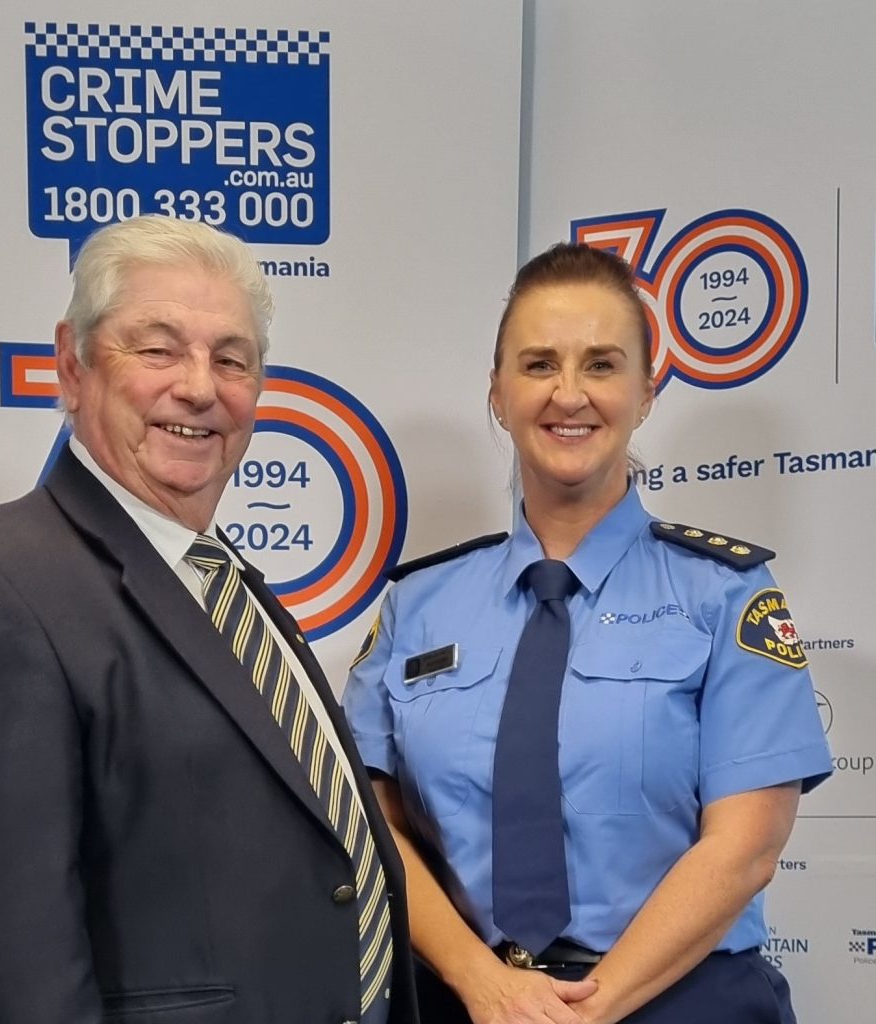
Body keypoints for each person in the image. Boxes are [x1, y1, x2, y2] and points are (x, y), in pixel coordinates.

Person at [0, 215, 417, 1024]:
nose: (200, 388)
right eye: (159, 349)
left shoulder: (226, 583)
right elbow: (16, 979)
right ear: (73, 364)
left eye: (231, 359)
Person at [342, 243, 832, 1024]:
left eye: (602, 365)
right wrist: (482, 982)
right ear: (498, 392)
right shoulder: (418, 606)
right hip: (470, 1000)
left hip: (681, 1000)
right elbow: (371, 822)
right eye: (539, 364)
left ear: (646, 392)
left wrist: (583, 1013)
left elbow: (746, 847)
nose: (568, 394)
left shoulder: (725, 594)